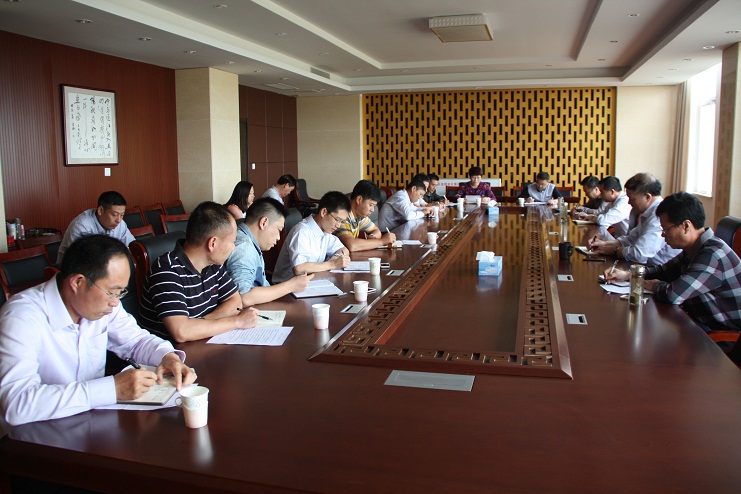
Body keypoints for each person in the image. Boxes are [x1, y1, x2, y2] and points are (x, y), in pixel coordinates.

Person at [0, 235, 196, 434]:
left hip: (91, 425)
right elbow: (16, 403)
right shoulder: (21, 318)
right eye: (112, 292)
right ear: (78, 282)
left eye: (121, 293)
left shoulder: (102, 305)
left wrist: (167, 357)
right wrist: (112, 389)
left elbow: (136, 341)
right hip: (34, 437)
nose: (115, 302)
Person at [605, 192, 741, 333]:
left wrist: (651, 285)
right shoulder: (695, 248)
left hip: (722, 333)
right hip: (698, 321)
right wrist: (629, 275)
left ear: (686, 226)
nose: (663, 234)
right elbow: (664, 271)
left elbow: (673, 295)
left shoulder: (712, 255)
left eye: (666, 229)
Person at [139, 201, 259, 342]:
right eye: (232, 242)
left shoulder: (214, 264)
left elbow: (235, 301)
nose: (233, 248)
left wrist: (200, 323)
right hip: (171, 353)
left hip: (201, 343)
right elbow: (182, 332)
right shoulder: (166, 271)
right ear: (212, 243)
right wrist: (237, 321)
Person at [225, 197, 313, 305]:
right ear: (263, 222)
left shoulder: (249, 241)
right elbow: (243, 297)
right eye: (278, 230)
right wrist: (291, 286)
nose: (278, 237)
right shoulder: (244, 249)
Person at [588, 173, 680, 265]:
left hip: (658, 269)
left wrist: (612, 250)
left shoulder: (659, 215)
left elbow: (640, 254)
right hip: (646, 266)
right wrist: (605, 244)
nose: (629, 202)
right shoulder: (649, 212)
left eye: (632, 199)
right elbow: (631, 239)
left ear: (647, 197)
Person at [272, 191, 351, 283]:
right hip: (287, 287)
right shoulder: (302, 232)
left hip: (312, 282)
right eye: (337, 220)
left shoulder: (325, 231)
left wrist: (336, 257)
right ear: (324, 212)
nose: (338, 225)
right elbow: (299, 268)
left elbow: (344, 250)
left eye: (342, 222)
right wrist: (332, 264)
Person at [57, 191, 136, 263]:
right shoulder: (81, 226)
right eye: (114, 215)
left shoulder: (120, 223)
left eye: (122, 215)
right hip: (74, 269)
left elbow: (133, 247)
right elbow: (83, 260)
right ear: (100, 210)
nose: (119, 220)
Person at [335, 180, 397, 252]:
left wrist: (372, 237)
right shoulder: (343, 215)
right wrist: (382, 241)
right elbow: (352, 245)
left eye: (374, 206)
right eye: (371, 205)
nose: (372, 210)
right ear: (359, 200)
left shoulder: (360, 216)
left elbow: (376, 230)